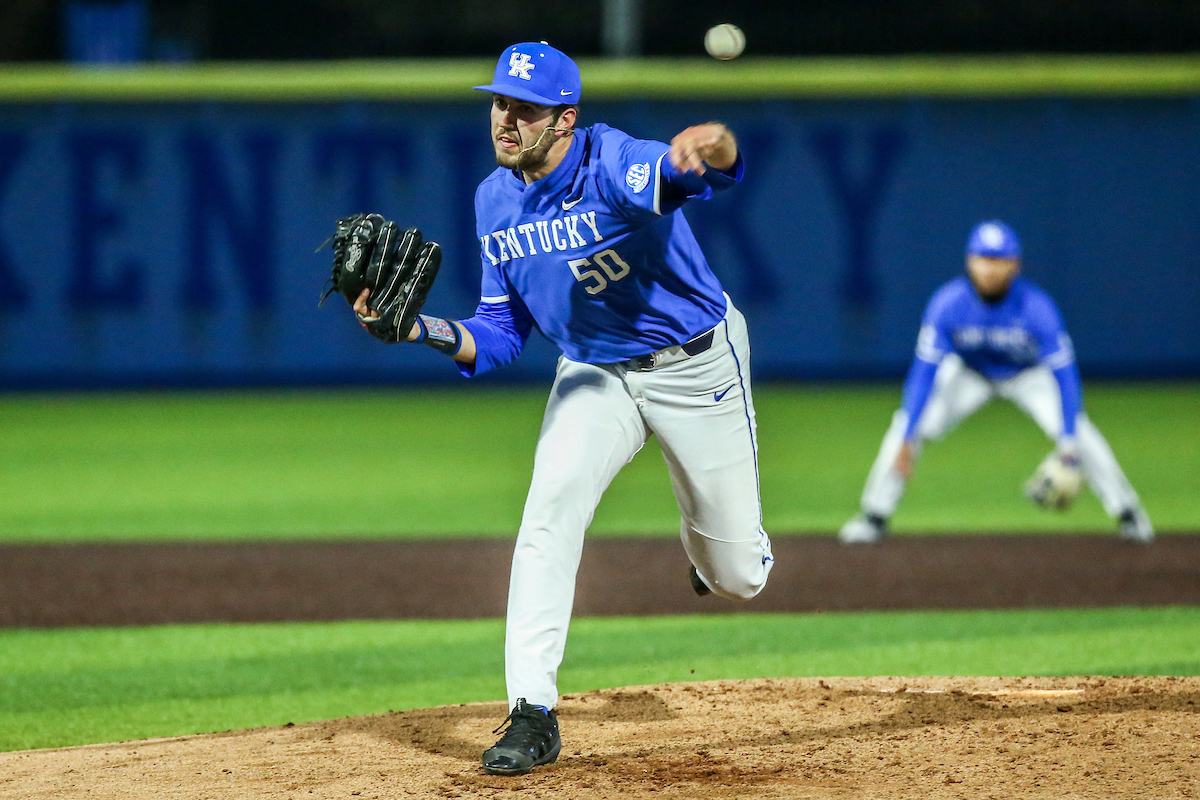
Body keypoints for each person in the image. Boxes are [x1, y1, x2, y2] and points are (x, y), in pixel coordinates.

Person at [353, 42, 774, 775]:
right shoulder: (493, 199)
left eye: (525, 109)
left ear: (565, 120)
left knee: (740, 577)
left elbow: (690, 172)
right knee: (548, 513)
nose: (506, 119)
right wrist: (418, 330)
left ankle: (710, 548)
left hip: (693, 362)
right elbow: (498, 335)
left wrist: (714, 146)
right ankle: (532, 712)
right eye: (498, 103)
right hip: (593, 373)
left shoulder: (610, 162)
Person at [838, 220, 1153, 545]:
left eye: (999, 259)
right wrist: (908, 434)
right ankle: (874, 516)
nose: (989, 268)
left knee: (1081, 433)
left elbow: (1065, 378)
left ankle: (1128, 512)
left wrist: (1069, 443)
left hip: (1027, 375)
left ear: (1014, 265)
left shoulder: (1038, 309)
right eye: (983, 258)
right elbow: (923, 374)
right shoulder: (947, 304)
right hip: (968, 373)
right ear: (969, 262)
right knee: (904, 427)